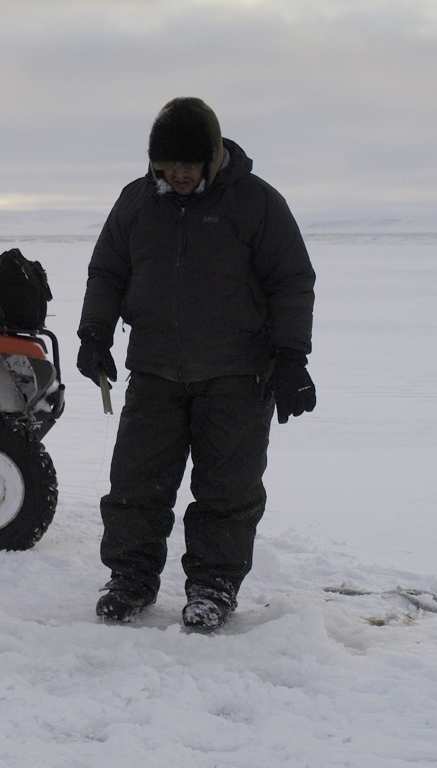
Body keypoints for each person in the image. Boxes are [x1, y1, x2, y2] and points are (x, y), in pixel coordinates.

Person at [76, 97, 316, 632]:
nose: (180, 175)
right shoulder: (136, 202)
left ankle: (213, 586)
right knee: (136, 485)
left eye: (189, 164)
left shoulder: (256, 203)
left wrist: (292, 357)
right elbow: (108, 272)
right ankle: (131, 579)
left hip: (237, 375)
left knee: (227, 490)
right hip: (155, 370)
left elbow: (292, 281)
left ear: (211, 158)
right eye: (169, 166)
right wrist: (94, 333)